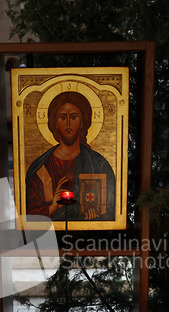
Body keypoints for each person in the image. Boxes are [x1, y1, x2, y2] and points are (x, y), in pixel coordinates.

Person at [26, 91, 115, 221]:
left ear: (82, 121)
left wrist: (96, 217)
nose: (68, 124)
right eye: (63, 117)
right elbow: (29, 215)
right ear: (55, 122)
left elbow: (110, 209)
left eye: (73, 117)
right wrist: (52, 208)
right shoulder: (41, 168)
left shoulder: (98, 164)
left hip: (90, 239)